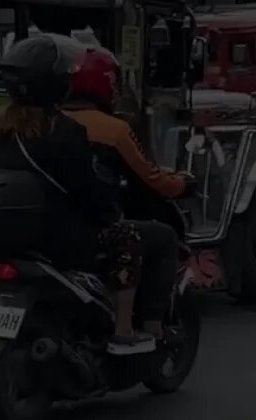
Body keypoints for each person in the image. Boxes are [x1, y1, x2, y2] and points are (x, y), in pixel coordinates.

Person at [0, 34, 156, 355]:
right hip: (62, 244)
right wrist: (112, 214)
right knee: (135, 235)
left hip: (8, 242)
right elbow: (88, 193)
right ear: (56, 83)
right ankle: (124, 330)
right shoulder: (66, 131)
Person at [62, 46, 190, 342]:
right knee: (164, 237)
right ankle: (149, 326)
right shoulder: (114, 130)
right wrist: (183, 184)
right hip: (91, 224)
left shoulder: (47, 123)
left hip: (51, 224)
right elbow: (152, 178)